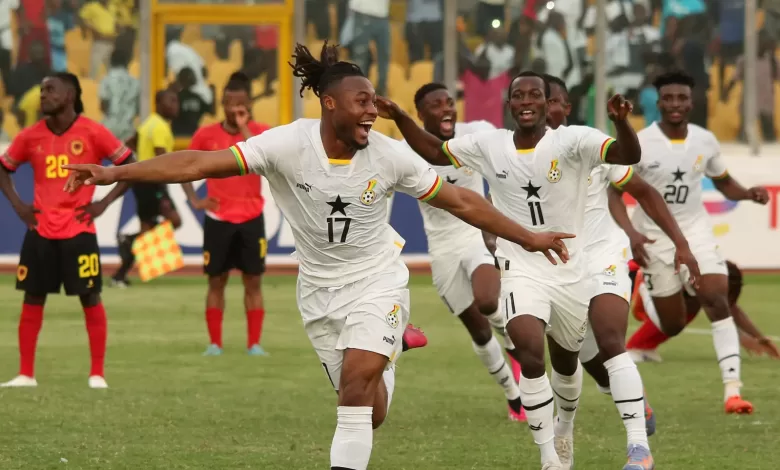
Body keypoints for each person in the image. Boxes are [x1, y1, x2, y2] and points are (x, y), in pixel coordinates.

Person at [62, 42, 573, 470]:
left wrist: (528, 237)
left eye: (374, 101)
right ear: (329, 104)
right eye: (361, 102)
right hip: (320, 295)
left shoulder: (390, 154)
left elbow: (461, 199)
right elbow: (198, 163)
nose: (372, 110)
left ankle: (385, 339)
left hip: (378, 281)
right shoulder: (286, 145)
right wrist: (114, 174)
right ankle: (390, 349)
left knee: (353, 390)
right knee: (369, 410)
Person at [379, 71, 644, 470]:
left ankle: (565, 427)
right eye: (517, 95)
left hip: (570, 270)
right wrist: (400, 115)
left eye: (534, 94)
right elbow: (436, 152)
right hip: (519, 265)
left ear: (545, 101)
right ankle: (548, 459)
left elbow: (627, 156)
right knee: (530, 352)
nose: (526, 101)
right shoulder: (490, 145)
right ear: (509, 104)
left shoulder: (574, 140)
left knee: (567, 363)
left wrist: (622, 122)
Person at [544, 74, 701, 466]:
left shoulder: (590, 146)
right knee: (572, 358)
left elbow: (643, 191)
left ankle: (639, 450)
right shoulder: (512, 156)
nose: (549, 108)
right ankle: (565, 426)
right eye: (538, 100)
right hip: (554, 267)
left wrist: (681, 244)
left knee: (612, 339)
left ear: (567, 106)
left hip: (602, 256)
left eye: (555, 101)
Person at [610, 71, 770, 415]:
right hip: (654, 239)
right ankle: (650, 293)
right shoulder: (641, 142)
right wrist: (632, 233)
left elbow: (723, 182)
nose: (675, 105)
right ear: (658, 103)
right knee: (671, 323)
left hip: (696, 232)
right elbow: (614, 192)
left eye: (681, 98)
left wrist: (747, 194)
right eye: (668, 98)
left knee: (715, 297)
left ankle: (732, 391)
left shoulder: (704, 140)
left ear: (692, 102)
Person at [0, 73, 133, 389]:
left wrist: (101, 205)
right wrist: (19, 205)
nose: (43, 95)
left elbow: (127, 166)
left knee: (90, 297)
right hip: (41, 229)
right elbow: (4, 168)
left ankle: (97, 373)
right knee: (32, 297)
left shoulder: (93, 132)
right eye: (42, 90)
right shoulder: (30, 136)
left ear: (70, 95)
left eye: (50, 90)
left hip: (78, 230)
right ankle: (25, 374)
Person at [409, 82, 526, 422]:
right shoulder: (407, 149)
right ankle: (512, 394)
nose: (446, 109)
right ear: (420, 114)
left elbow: (510, 154)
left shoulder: (476, 134)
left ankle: (522, 355)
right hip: (442, 249)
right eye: (435, 105)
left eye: (449, 102)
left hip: (475, 236)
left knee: (489, 302)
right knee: (478, 331)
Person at [181, 72, 271, 357]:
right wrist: (195, 200)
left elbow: (265, 164)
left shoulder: (260, 133)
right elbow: (184, 166)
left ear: (249, 104)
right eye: (229, 103)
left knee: (253, 281)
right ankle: (215, 343)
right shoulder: (206, 134)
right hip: (218, 219)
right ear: (221, 103)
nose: (234, 109)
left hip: (251, 216)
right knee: (216, 280)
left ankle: (254, 344)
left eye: (240, 104)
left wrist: (245, 130)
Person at [628, 260, 780, 361]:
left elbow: (731, 309)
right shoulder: (695, 276)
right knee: (688, 307)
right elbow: (717, 314)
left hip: (665, 291)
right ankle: (635, 347)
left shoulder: (711, 275)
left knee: (692, 305)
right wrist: (738, 336)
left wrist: (759, 338)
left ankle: (646, 347)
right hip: (647, 284)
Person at [110, 88, 181, 287]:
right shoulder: (159, 127)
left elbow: (129, 143)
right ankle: (130, 242)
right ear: (159, 104)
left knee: (147, 230)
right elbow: (162, 159)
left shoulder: (147, 123)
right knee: (174, 220)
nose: (176, 105)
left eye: (176, 101)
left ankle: (119, 275)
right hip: (153, 182)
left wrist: (137, 163)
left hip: (142, 182)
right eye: (171, 100)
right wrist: (166, 189)